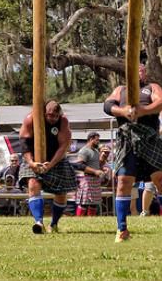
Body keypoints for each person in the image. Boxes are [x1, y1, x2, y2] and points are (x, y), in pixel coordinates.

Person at [103, 63, 162, 242]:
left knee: (161, 180)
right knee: (123, 182)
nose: (140, 73)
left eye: (143, 71)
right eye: (136, 70)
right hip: (127, 140)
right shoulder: (120, 90)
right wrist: (123, 111)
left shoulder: (151, 88)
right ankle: (122, 229)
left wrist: (142, 111)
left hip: (149, 138)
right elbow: (107, 105)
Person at [19, 100, 77, 234]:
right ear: (44, 113)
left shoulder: (63, 122)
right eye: (49, 115)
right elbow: (23, 143)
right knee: (33, 184)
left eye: (55, 116)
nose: (52, 118)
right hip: (34, 158)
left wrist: (51, 164)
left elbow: (64, 146)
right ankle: (38, 222)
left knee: (61, 193)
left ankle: (54, 224)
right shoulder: (30, 119)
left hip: (56, 159)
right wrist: (31, 163)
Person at [75, 131, 107, 216]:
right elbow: (79, 165)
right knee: (84, 203)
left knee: (94, 203)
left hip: (95, 180)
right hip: (86, 179)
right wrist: (95, 171)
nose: (98, 142)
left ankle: (90, 220)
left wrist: (104, 158)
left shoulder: (96, 151)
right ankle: (79, 220)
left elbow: (98, 165)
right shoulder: (84, 150)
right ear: (91, 139)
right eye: (97, 140)